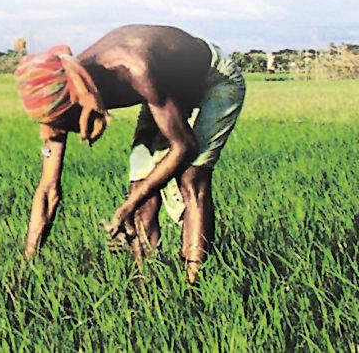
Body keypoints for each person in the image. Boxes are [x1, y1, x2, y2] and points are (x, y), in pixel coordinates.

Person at [14, 24, 245, 283]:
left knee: (191, 180)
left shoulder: (135, 68)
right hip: (166, 92)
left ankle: (195, 287)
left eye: (65, 122)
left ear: (79, 101)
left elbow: (184, 146)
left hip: (210, 79)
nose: (63, 131)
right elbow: (48, 190)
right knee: (140, 184)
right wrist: (26, 265)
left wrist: (128, 204)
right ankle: (147, 284)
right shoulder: (57, 95)